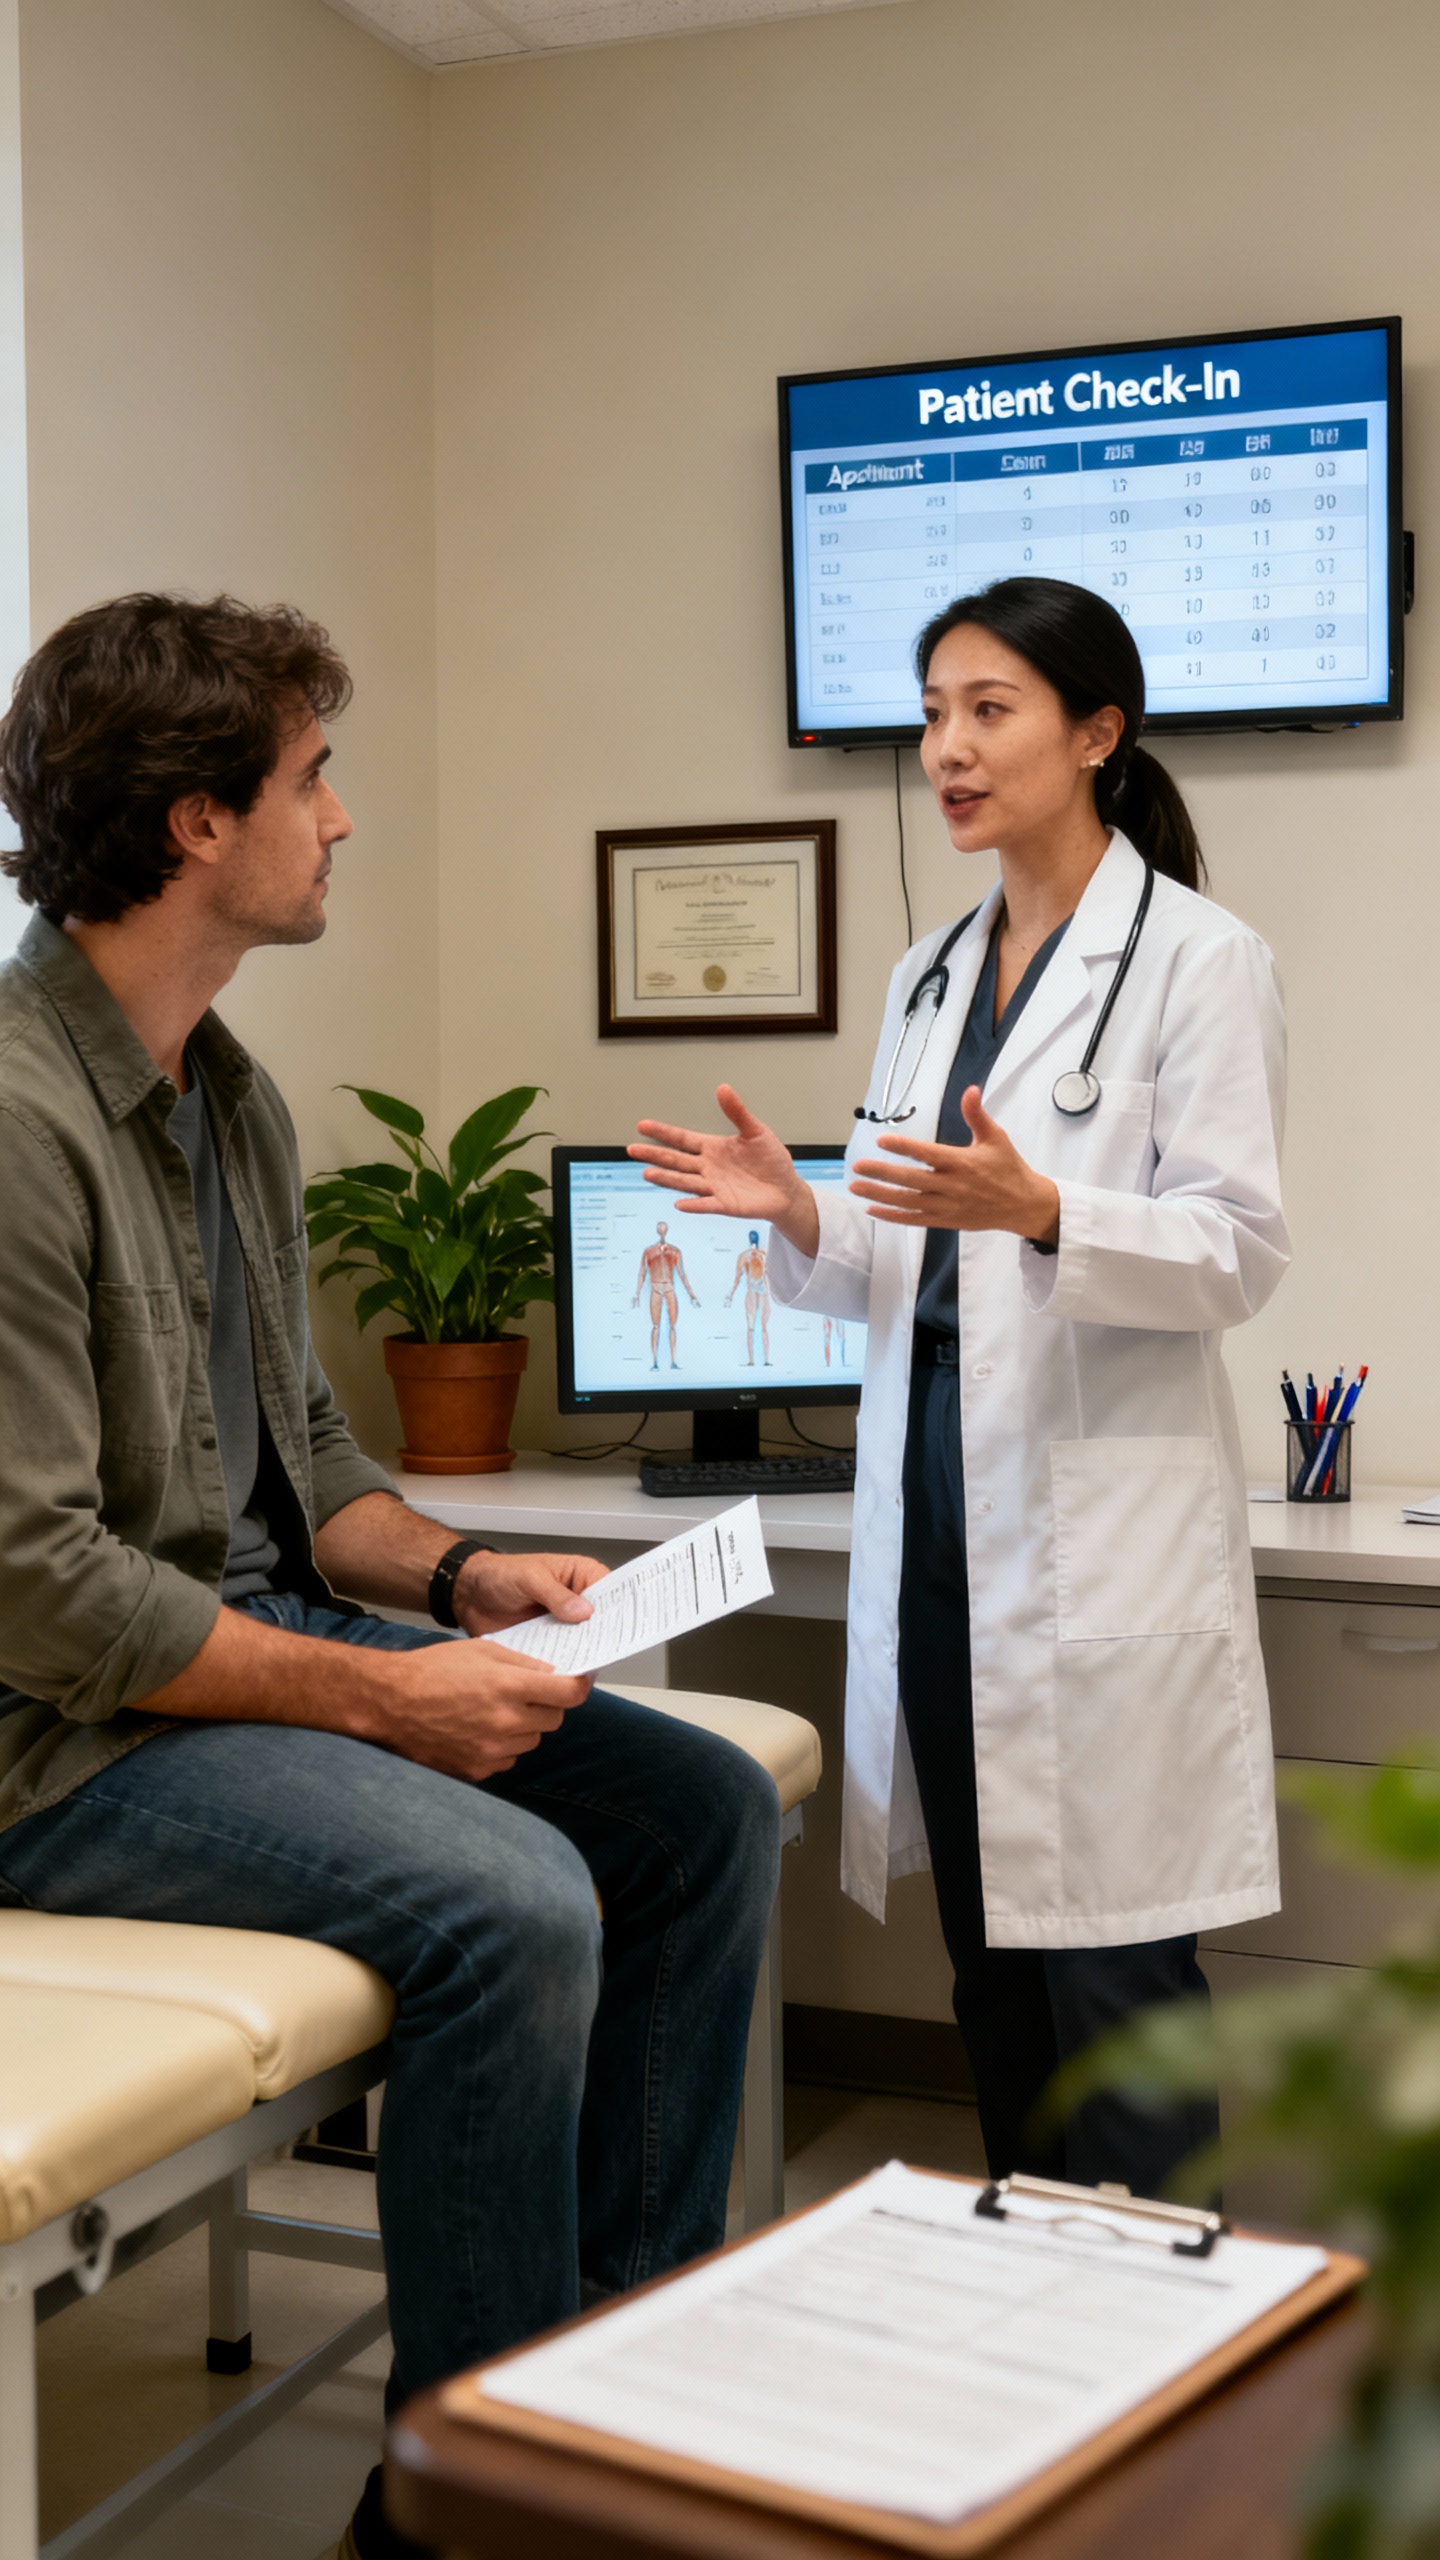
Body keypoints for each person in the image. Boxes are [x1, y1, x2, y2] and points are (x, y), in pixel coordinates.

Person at [0, 594, 780, 2560]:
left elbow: (316, 1471)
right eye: (312, 776)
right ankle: (466, 2507)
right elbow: (40, 1585)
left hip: (241, 1656)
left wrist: (454, 1577)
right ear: (195, 820)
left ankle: (608, 2393)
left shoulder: (225, 1092)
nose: (340, 819)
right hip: (63, 1735)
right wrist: (379, 1694)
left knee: (691, 1808)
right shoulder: (13, 1124)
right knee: (510, 1899)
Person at [633, 577, 1289, 2200]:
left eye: (989, 709)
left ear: (1098, 732)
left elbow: (1237, 1250)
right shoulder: (932, 974)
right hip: (935, 1517)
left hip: (1098, 1530)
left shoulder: (1202, 960)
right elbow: (902, 1256)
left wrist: (1052, 1210)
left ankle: (1153, 2357)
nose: (947, 748)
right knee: (994, 1970)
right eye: (933, 714)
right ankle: (1033, 2296)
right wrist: (801, 1214)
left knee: (1121, 1982)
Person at [632, 1217, 700, 1367]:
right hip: (656, 1288)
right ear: (658, 1231)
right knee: (655, 1325)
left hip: (669, 1288)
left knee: (672, 1325)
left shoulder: (675, 1251)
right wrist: (637, 1293)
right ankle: (655, 1361)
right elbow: (642, 1273)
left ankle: (673, 1360)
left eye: (664, 1229)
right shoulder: (649, 1251)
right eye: (660, 1229)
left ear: (666, 1231)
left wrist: (692, 1295)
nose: (662, 1232)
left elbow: (682, 1274)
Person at [726, 1230, 772, 1365]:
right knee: (761, 1327)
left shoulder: (744, 1256)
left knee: (752, 1327)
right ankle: (764, 1360)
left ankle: (753, 1360)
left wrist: (731, 1295)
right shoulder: (764, 1255)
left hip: (755, 1291)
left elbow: (737, 1279)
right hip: (761, 1291)